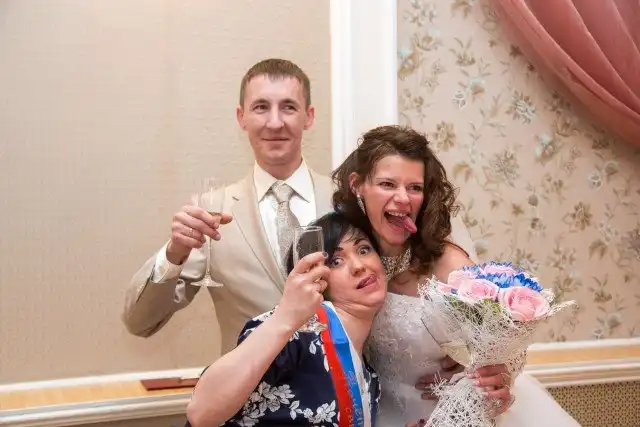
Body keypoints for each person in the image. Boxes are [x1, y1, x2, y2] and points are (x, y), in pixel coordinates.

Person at [331, 125, 581, 427]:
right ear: (357, 185)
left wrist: (489, 371)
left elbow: (505, 343)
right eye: (387, 184)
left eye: (415, 188)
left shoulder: (447, 262)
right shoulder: (345, 256)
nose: (403, 198)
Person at [122, 58, 335, 353]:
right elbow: (140, 321)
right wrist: (174, 253)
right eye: (261, 107)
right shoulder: (210, 210)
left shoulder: (344, 199)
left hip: (340, 379)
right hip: (249, 381)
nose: (275, 122)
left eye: (288, 107)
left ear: (308, 117)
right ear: (241, 117)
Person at [185, 212, 387, 427]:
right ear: (315, 278)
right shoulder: (297, 332)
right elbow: (200, 413)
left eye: (363, 250)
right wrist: (286, 318)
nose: (358, 266)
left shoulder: (370, 377)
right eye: (336, 261)